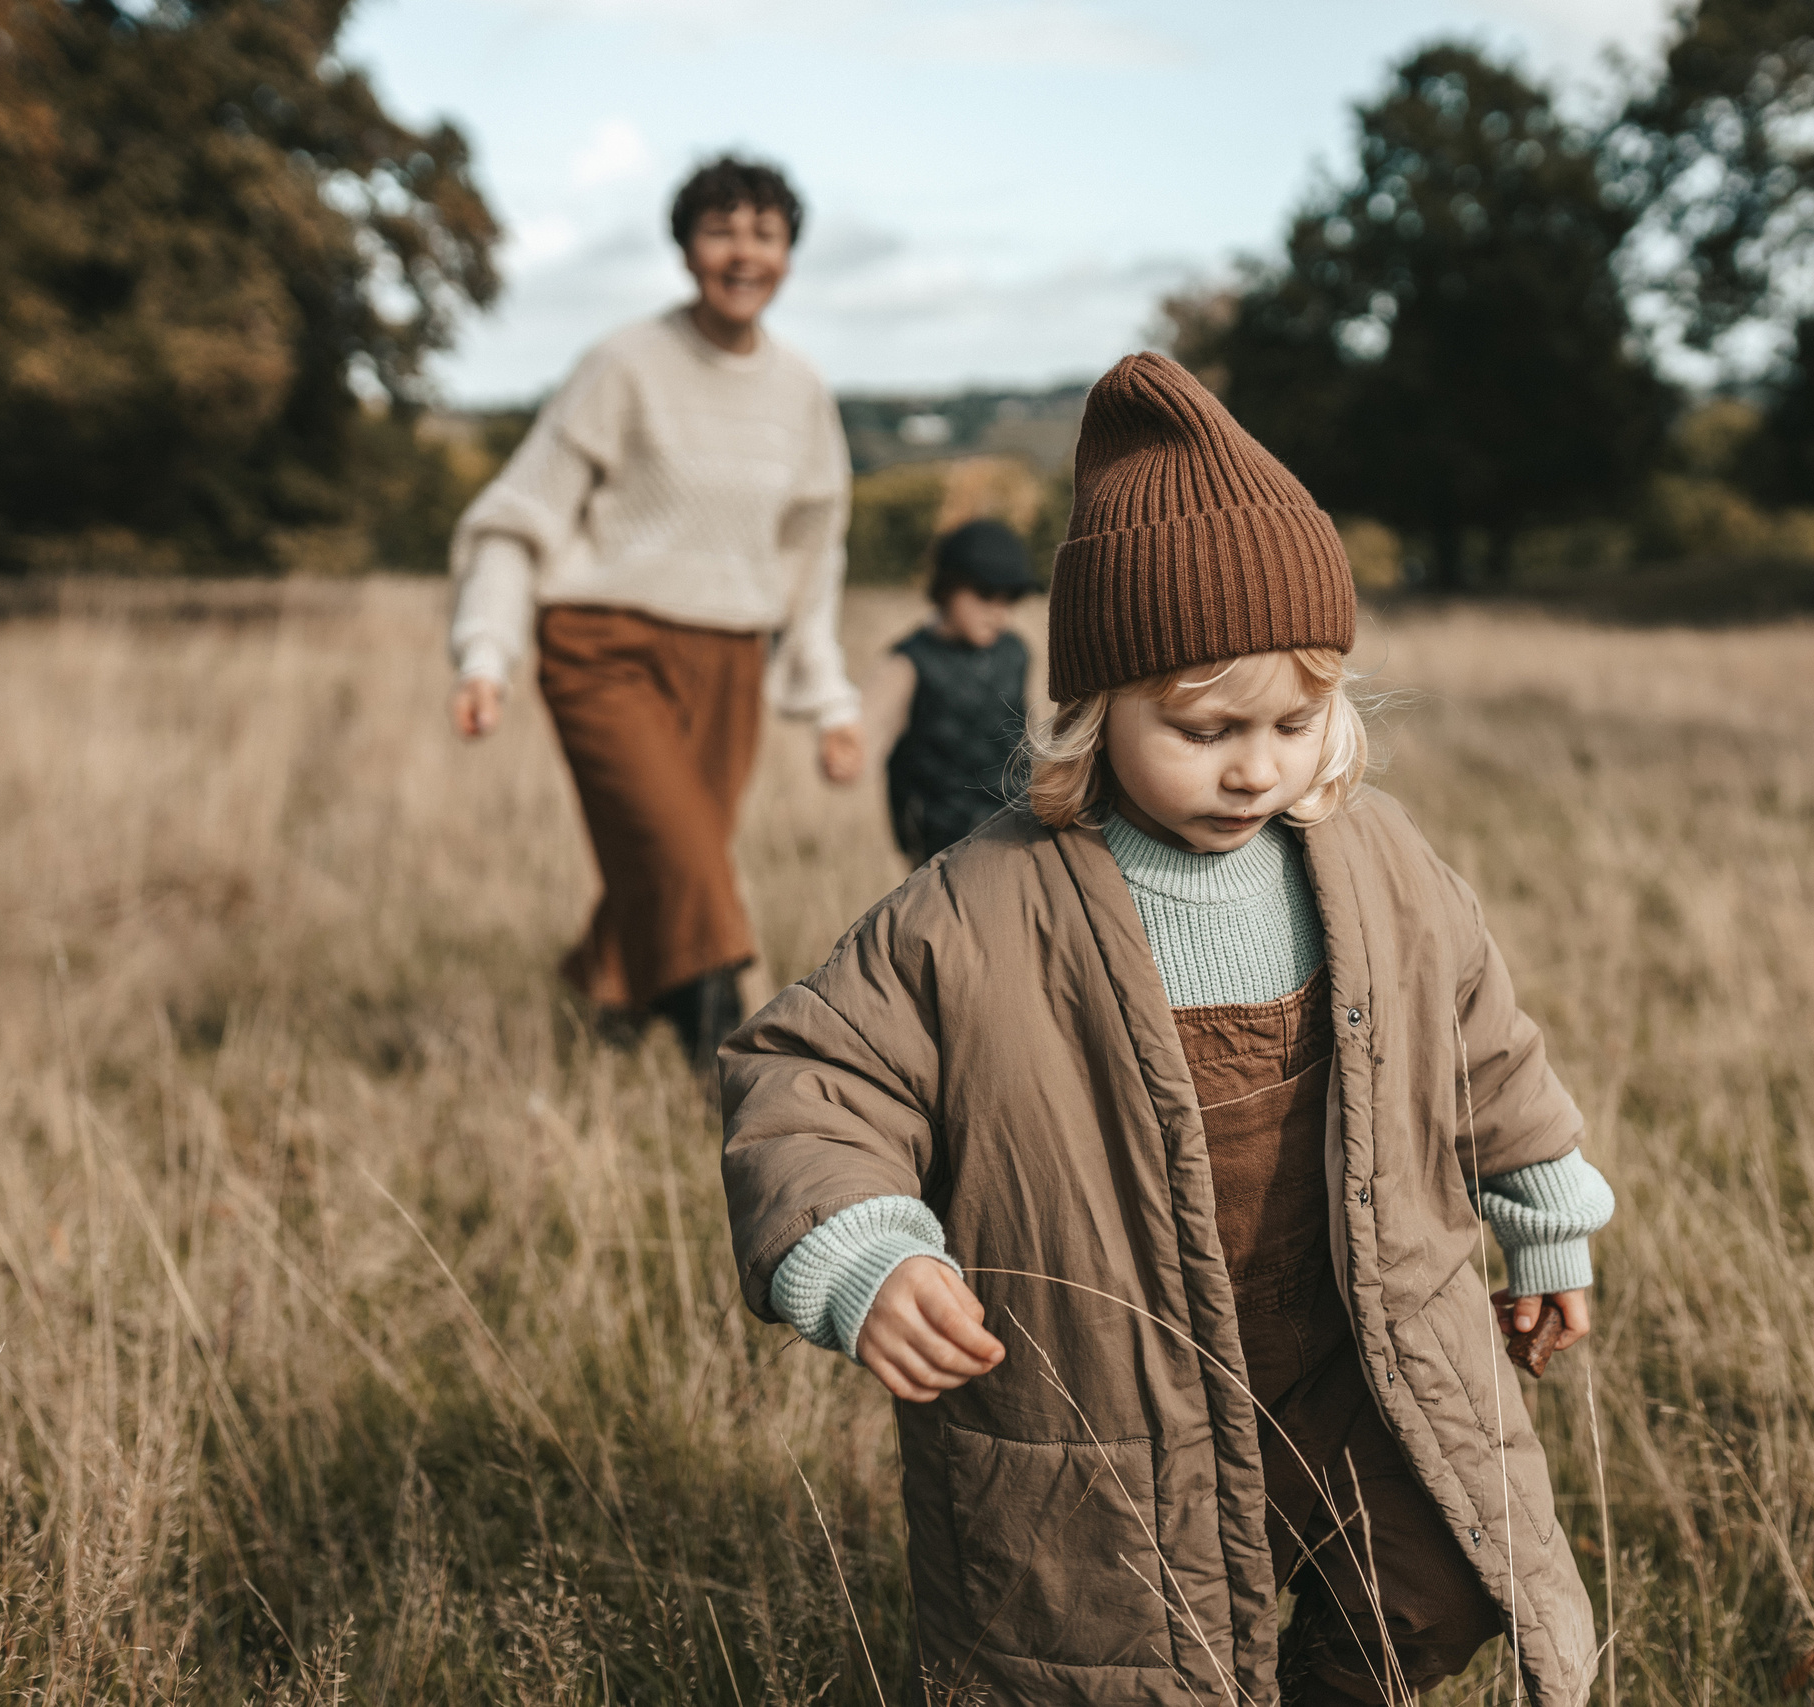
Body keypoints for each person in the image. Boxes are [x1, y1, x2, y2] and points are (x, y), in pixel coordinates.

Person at [723, 354, 1613, 1706]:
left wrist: (1544, 1205)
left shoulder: (1374, 862)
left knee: (1440, 1570)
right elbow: (813, 1075)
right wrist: (862, 1252)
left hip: (1362, 1341)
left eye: (1297, 721)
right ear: (1096, 707)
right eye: (1202, 727)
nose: (1255, 765)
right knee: (1159, 1645)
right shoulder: (984, 902)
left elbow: (1481, 1031)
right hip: (1120, 1385)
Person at [445, 156, 861, 1069]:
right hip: (602, 648)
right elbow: (519, 517)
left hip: (729, 659)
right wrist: (487, 653)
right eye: (721, 231)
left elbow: (811, 560)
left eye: (764, 233)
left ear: (789, 253)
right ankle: (729, 1051)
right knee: (683, 853)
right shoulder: (622, 365)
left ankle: (605, 1006)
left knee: (668, 853)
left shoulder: (800, 392)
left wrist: (830, 702)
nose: (742, 253)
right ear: (685, 249)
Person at [859, 517, 1036, 865]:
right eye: (984, 595)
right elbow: (869, 722)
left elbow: (1024, 734)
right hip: (939, 850)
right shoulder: (910, 661)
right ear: (946, 588)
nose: (997, 612)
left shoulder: (1015, 652)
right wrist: (849, 744)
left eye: (1009, 598)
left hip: (1014, 832)